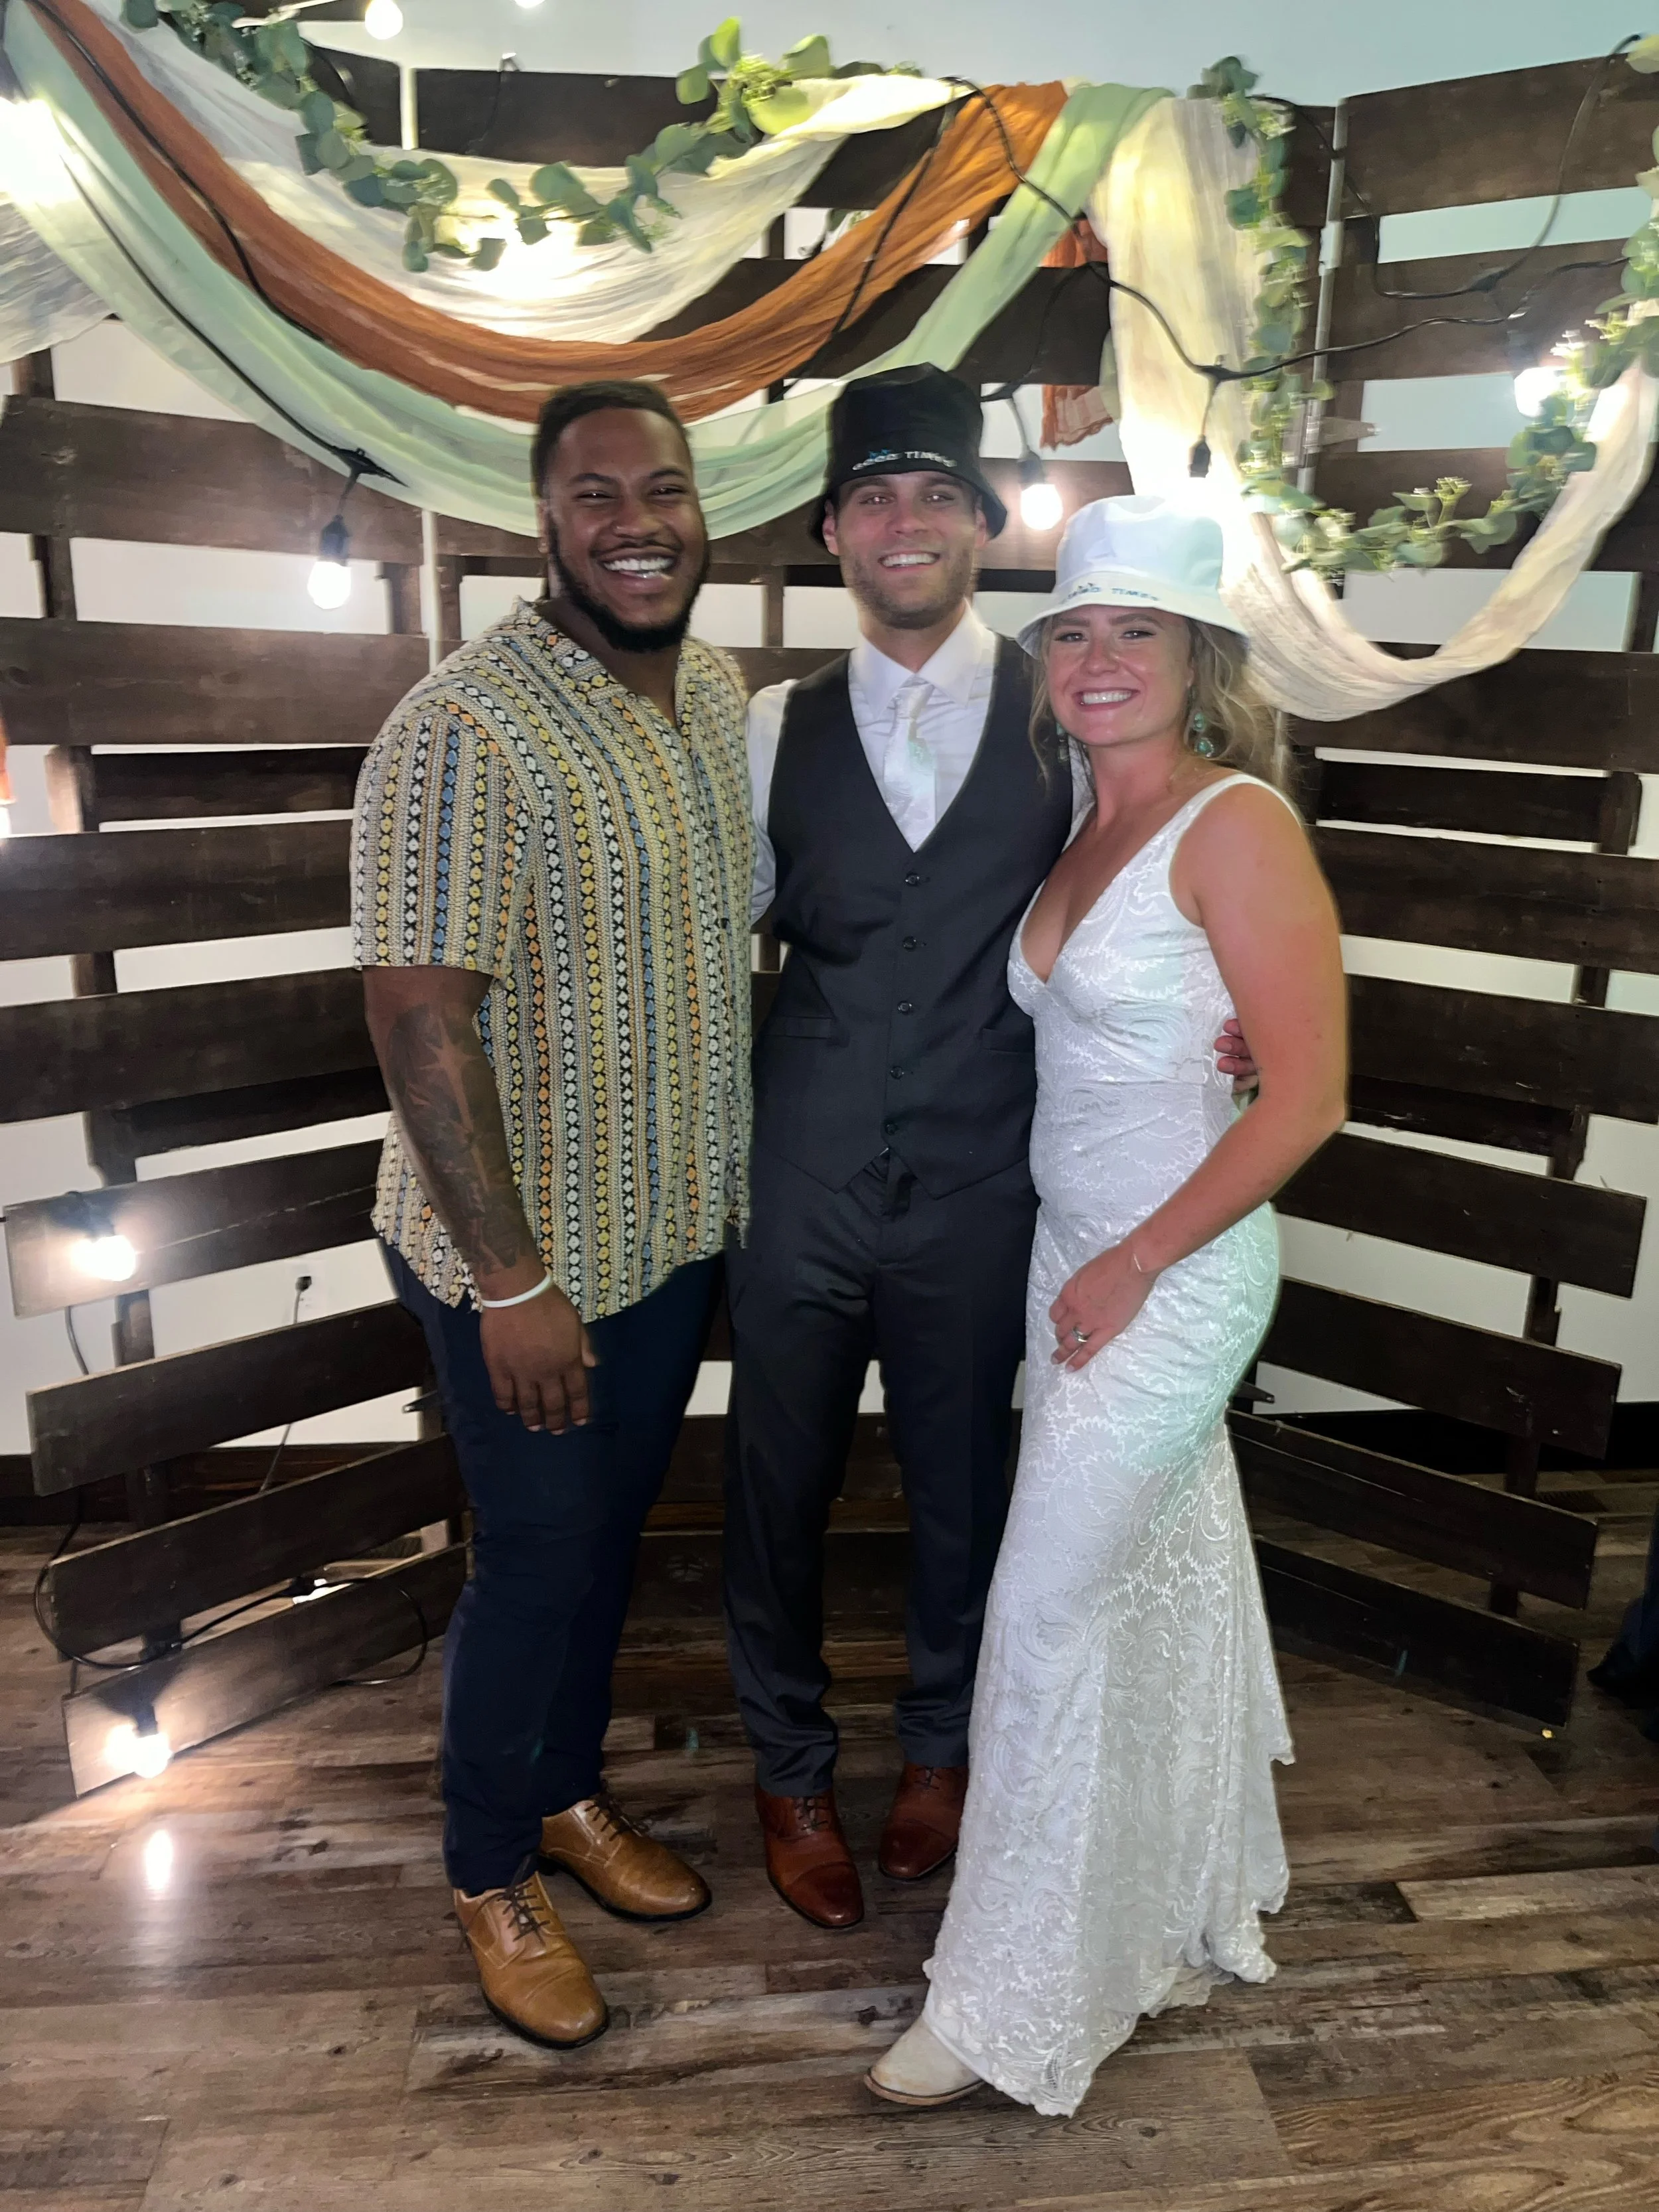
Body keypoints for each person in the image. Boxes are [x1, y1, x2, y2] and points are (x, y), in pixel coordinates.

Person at [724, 370, 1257, 1932]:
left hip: (980, 1185)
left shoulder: (1065, 708)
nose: (906, 523)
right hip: (798, 1181)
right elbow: (710, 948)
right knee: (776, 1485)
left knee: (969, 1487)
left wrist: (1224, 1017)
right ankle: (787, 1762)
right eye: (872, 497)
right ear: (832, 530)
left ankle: (944, 1750)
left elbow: (1175, 858)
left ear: (981, 521)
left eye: (936, 495)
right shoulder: (766, 730)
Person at [865, 496, 1348, 2114]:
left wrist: (1137, 1256)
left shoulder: (1239, 824)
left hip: (1170, 1271)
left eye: (1133, 627)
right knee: (1168, 1567)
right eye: (1069, 628)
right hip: (1064, 1256)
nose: (1094, 656)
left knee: (1044, 1610)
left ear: (1198, 654)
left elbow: (1304, 1099)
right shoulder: (1078, 810)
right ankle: (1184, 1883)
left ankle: (1003, 2000)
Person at [352, 380, 753, 2050]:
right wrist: (511, 1279)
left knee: (604, 1543)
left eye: (661, 486)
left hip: (668, 1227)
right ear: (543, 521)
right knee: (531, 1560)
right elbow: (416, 1014)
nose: (635, 518)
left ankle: (569, 1796)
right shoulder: (464, 728)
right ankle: (484, 1866)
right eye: (595, 494)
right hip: (524, 1257)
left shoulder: (717, 693)